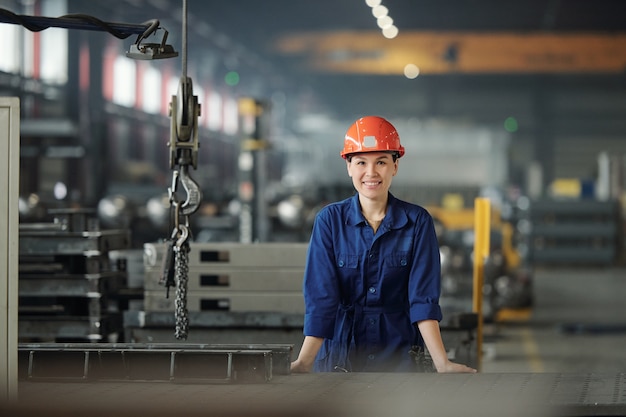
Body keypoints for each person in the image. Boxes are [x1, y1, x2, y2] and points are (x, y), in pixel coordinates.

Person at [290, 115, 476, 374]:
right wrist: (305, 362)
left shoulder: (417, 222)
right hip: (340, 357)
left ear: (395, 166)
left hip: (397, 357)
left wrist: (441, 363)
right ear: (348, 166)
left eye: (381, 162)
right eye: (361, 162)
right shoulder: (329, 221)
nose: (371, 172)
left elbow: (422, 299)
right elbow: (322, 299)